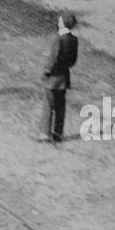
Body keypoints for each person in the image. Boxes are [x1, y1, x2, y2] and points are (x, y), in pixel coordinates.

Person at [38, 12, 79, 143]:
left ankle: (44, 134)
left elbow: (53, 58)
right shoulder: (74, 39)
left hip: (53, 78)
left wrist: (46, 72)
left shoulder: (59, 39)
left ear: (62, 23)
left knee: (48, 105)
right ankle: (58, 133)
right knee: (61, 106)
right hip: (64, 77)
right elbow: (73, 61)